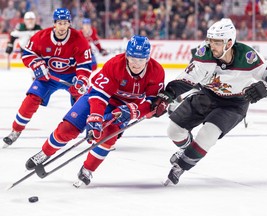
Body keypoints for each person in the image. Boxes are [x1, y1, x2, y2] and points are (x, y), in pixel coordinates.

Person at [152, 18, 267, 185]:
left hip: (234, 104)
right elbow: (188, 77)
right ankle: (186, 150)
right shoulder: (204, 53)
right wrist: (167, 95)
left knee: (208, 134)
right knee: (174, 131)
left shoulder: (248, 56)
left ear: (229, 43)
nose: (211, 46)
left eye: (216, 42)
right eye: (210, 41)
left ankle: (182, 165)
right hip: (207, 95)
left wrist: (266, 86)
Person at [24, 35, 165, 186]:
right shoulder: (115, 65)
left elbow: (152, 103)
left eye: (141, 60)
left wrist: (134, 110)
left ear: (148, 58)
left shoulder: (156, 72)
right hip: (97, 98)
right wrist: (96, 118)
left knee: (108, 136)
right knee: (67, 129)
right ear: (126, 55)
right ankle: (45, 152)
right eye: (132, 58)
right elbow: (99, 95)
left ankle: (87, 169)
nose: (136, 64)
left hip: (122, 108)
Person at [2, 8, 92, 148]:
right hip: (48, 76)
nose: (62, 26)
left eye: (65, 23)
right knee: (32, 98)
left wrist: (81, 80)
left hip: (72, 77)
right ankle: (16, 130)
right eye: (59, 23)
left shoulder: (79, 39)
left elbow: (84, 65)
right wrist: (37, 64)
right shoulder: (41, 36)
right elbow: (27, 53)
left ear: (69, 24)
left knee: (84, 102)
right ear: (54, 23)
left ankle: (91, 131)